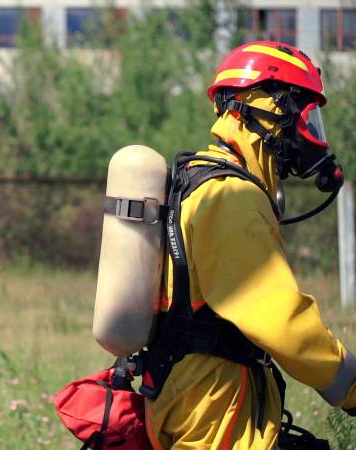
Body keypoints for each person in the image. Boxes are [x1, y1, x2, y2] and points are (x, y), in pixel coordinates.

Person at [142, 41, 355, 449]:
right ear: (268, 108)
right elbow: (281, 322)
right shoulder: (231, 197)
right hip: (217, 418)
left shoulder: (203, 182)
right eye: (306, 117)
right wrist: (352, 387)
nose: (311, 136)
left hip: (202, 406)